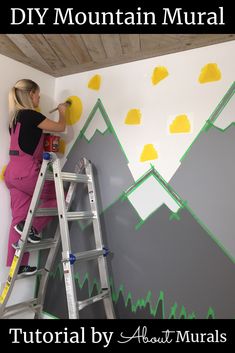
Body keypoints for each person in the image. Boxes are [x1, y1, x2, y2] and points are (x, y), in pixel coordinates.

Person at [4, 79, 67, 275]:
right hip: (27, 173)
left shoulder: (14, 120)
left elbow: (29, 141)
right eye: (37, 94)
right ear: (30, 94)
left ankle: (17, 266)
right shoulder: (31, 115)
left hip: (12, 174)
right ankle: (31, 228)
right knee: (61, 196)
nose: (39, 97)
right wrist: (63, 111)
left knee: (18, 220)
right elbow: (60, 127)